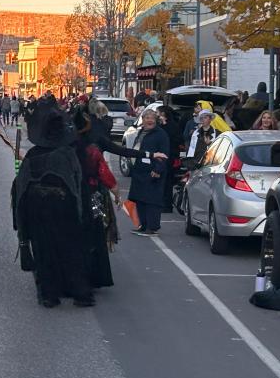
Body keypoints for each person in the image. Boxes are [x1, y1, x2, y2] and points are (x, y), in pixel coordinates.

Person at [12, 96, 94, 307]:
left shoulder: (34, 154)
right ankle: (79, 292)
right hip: (63, 206)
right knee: (71, 249)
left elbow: (21, 188)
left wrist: (22, 220)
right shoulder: (68, 154)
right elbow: (78, 184)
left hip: (40, 208)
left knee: (44, 250)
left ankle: (49, 294)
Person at [74, 106, 120, 290]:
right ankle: (95, 273)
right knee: (96, 232)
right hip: (93, 195)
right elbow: (104, 174)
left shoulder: (66, 147)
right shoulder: (92, 150)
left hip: (72, 195)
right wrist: (116, 193)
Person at [128, 108, 169, 236]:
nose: (149, 120)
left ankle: (152, 227)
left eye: (152, 118)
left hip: (152, 172)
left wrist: (158, 169)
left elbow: (164, 153)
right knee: (140, 199)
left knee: (152, 201)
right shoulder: (141, 132)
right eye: (147, 118)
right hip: (140, 171)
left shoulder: (161, 134)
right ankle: (143, 225)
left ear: (155, 120)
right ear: (143, 119)